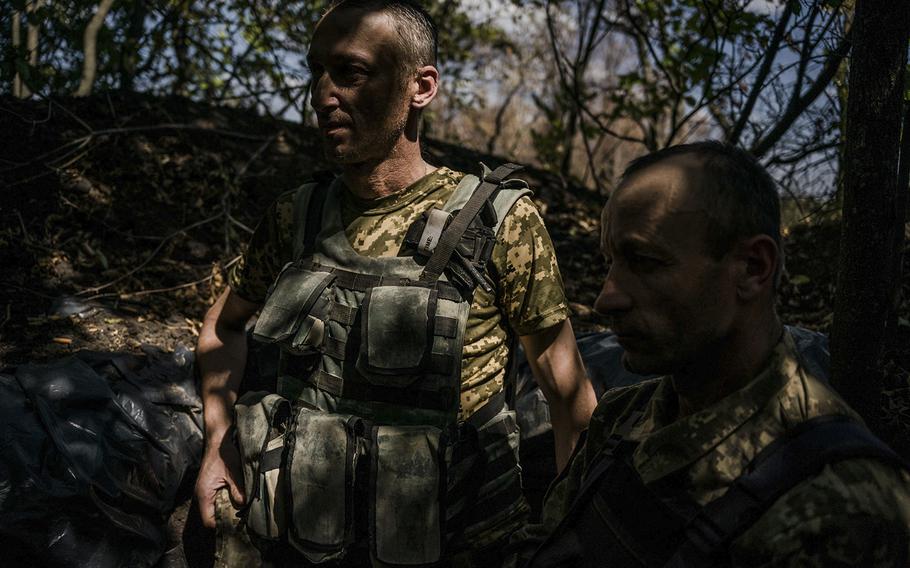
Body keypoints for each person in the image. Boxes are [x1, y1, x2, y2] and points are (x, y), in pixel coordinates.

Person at [192, 0, 597, 566]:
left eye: (351, 73)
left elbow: (567, 394)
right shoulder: (297, 218)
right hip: (303, 542)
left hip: (463, 547)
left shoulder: (497, 222)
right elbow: (223, 325)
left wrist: (567, 536)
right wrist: (219, 441)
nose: (321, 95)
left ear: (421, 87)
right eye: (316, 71)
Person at [527, 141, 910, 567]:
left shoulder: (847, 503)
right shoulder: (623, 415)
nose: (606, 299)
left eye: (646, 261)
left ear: (753, 268)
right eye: (611, 263)